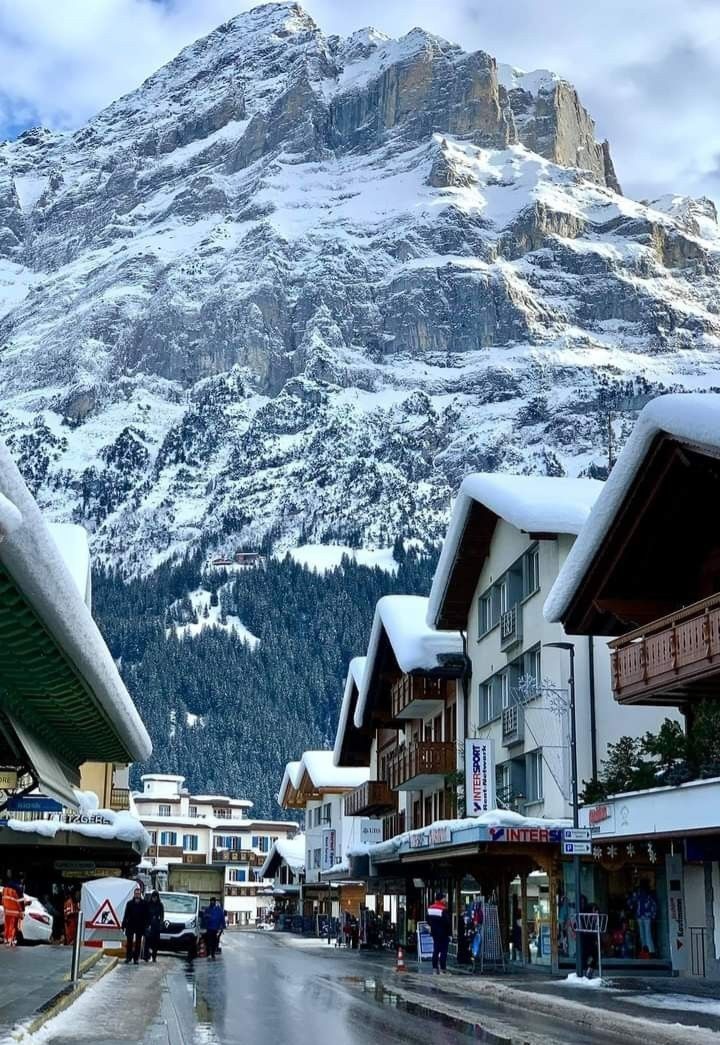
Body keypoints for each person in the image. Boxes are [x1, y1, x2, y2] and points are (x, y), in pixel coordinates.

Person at [122, 887, 149, 964]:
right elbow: (126, 914)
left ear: (140, 894)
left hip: (140, 925)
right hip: (130, 925)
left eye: (138, 893)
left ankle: (136, 958)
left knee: (138, 943)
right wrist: (124, 924)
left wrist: (146, 925)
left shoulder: (144, 903)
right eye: (136, 893)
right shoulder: (129, 903)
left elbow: (147, 915)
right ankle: (128, 957)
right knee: (129, 942)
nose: (137, 895)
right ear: (134, 894)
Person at [2, 871, 29, 947]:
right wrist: (23, 910)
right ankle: (11, 940)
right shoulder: (18, 888)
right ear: (21, 879)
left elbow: (4, 899)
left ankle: (6, 940)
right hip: (15, 911)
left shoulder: (5, 887)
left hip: (7, 911)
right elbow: (20, 901)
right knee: (13, 926)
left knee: (7, 926)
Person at [427, 891, 451, 974]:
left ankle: (434, 968)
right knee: (444, 951)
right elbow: (447, 922)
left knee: (436, 950)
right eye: (444, 898)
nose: (445, 900)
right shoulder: (443, 909)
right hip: (443, 933)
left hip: (434, 933)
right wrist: (449, 933)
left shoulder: (430, 908)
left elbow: (428, 920)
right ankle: (443, 969)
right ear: (441, 899)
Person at [144, 890, 165, 963]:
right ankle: (146, 956)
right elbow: (146, 915)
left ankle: (154, 956)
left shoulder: (160, 905)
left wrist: (160, 924)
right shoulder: (148, 904)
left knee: (155, 943)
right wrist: (146, 925)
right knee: (147, 942)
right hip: (149, 925)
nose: (154, 899)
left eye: (155, 897)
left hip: (156, 925)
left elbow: (162, 916)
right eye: (153, 897)